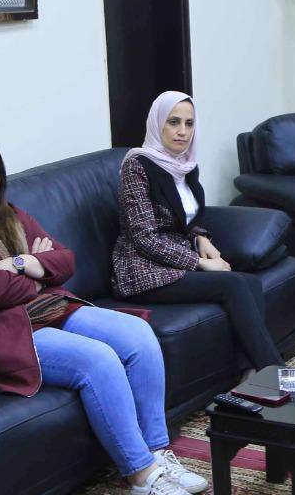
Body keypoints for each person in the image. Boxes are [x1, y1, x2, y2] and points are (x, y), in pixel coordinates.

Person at [0, 136, 209, 495]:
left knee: (138, 335)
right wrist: (37, 273)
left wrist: (22, 264)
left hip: (47, 308)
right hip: (1, 331)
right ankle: (142, 477)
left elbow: (65, 260)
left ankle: (156, 451)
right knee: (98, 360)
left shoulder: (7, 215)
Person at [111, 91, 284, 374]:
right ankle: (274, 372)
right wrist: (200, 263)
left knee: (250, 282)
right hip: (142, 270)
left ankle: (250, 375)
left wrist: (200, 237)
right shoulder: (137, 165)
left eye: (189, 123)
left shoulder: (185, 164)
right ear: (157, 123)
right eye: (173, 122)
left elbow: (187, 215)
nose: (182, 131)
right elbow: (144, 238)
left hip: (175, 260)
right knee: (234, 284)